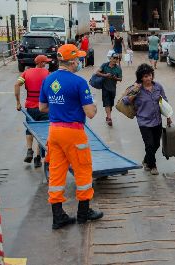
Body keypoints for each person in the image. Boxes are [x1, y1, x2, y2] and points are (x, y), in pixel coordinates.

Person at [39, 44, 103, 229]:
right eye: (79, 59)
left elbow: (42, 107)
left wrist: (61, 106)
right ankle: (84, 213)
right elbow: (90, 113)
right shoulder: (79, 82)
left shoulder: (49, 80)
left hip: (54, 132)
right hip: (73, 132)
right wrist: (94, 106)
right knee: (82, 169)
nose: (80, 62)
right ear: (73, 61)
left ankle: (58, 216)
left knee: (57, 173)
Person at [122, 64, 171, 175]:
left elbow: (165, 102)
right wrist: (135, 92)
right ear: (141, 78)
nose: (148, 78)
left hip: (157, 120)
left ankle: (146, 160)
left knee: (156, 144)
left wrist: (168, 117)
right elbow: (125, 101)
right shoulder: (136, 88)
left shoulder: (158, 87)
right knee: (149, 145)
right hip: (144, 122)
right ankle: (153, 166)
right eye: (145, 76)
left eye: (149, 75)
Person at [14, 55, 51, 168]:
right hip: (44, 108)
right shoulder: (47, 74)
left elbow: (17, 84)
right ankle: (38, 158)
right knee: (42, 132)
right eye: (45, 62)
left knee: (30, 128)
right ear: (41, 63)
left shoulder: (26, 73)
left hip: (30, 107)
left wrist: (18, 102)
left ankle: (29, 150)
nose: (46, 64)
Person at [96, 53, 122, 126]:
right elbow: (97, 72)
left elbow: (120, 79)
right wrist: (105, 75)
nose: (115, 60)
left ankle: (108, 116)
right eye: (114, 58)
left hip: (113, 88)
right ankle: (109, 118)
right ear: (110, 58)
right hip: (105, 88)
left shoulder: (118, 68)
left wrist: (115, 78)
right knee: (107, 103)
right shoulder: (104, 65)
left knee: (111, 104)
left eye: (117, 59)